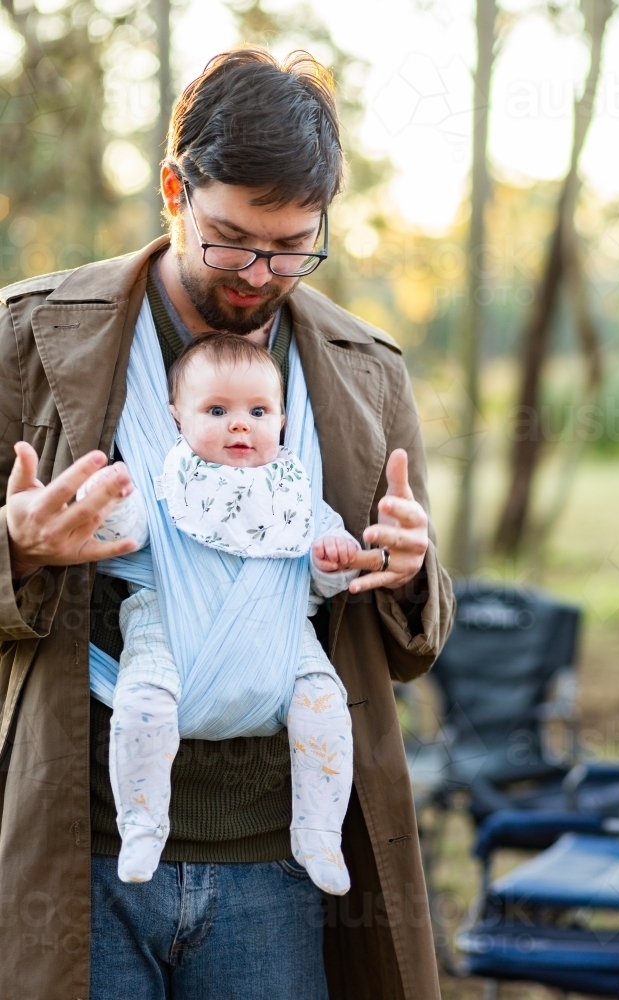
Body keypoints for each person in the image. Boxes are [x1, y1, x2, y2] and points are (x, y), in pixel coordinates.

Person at [0, 47, 453, 1000]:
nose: (260, 273)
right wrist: (18, 551)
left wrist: (408, 573)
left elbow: (407, 645)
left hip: (278, 866)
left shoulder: (365, 372)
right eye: (232, 240)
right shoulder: (25, 341)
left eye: (293, 245)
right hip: (78, 850)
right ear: (174, 188)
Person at [83, 332, 358, 893]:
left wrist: (335, 562)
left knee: (326, 706)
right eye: (217, 410)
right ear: (174, 417)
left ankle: (318, 831)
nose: (240, 424)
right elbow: (125, 534)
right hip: (166, 627)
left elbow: (328, 570)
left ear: (283, 420)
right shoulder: (166, 479)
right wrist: (110, 503)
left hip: (282, 632)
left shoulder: (293, 488)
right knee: (141, 704)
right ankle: (141, 822)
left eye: (258, 411)